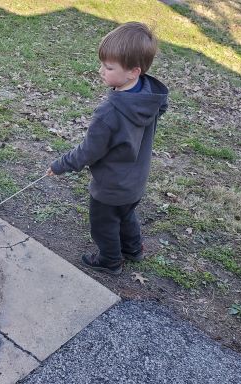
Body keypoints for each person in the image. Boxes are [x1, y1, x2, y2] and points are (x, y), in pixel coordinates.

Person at [46, 22, 169, 275]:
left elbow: (88, 151)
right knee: (126, 214)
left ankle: (110, 260)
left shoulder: (109, 113)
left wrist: (60, 165)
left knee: (104, 224)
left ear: (133, 72)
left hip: (111, 187)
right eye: (102, 64)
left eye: (109, 67)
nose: (101, 71)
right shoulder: (149, 96)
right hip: (135, 181)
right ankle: (133, 249)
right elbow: (162, 109)